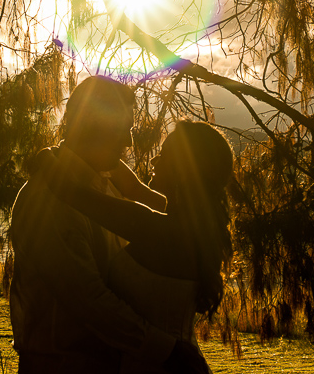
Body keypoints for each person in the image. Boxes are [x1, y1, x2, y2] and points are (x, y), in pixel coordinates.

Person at [8, 76, 211, 374]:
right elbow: (88, 300)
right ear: (91, 126)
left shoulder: (103, 188)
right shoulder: (49, 201)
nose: (129, 142)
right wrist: (168, 351)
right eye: (122, 130)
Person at [30, 120, 235, 374]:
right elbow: (133, 186)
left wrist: (46, 154)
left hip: (164, 364)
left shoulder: (157, 227)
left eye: (164, 155)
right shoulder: (190, 226)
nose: (154, 161)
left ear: (184, 170)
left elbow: (71, 192)